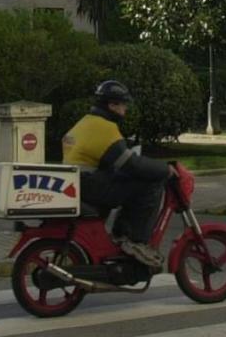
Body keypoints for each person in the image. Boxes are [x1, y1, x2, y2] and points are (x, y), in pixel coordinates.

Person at [61, 79, 170, 267]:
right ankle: (135, 241)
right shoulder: (105, 128)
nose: (125, 110)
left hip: (78, 182)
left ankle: (121, 236)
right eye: (123, 105)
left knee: (128, 183)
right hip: (89, 184)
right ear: (112, 105)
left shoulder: (85, 122)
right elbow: (132, 165)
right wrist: (165, 169)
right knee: (149, 184)